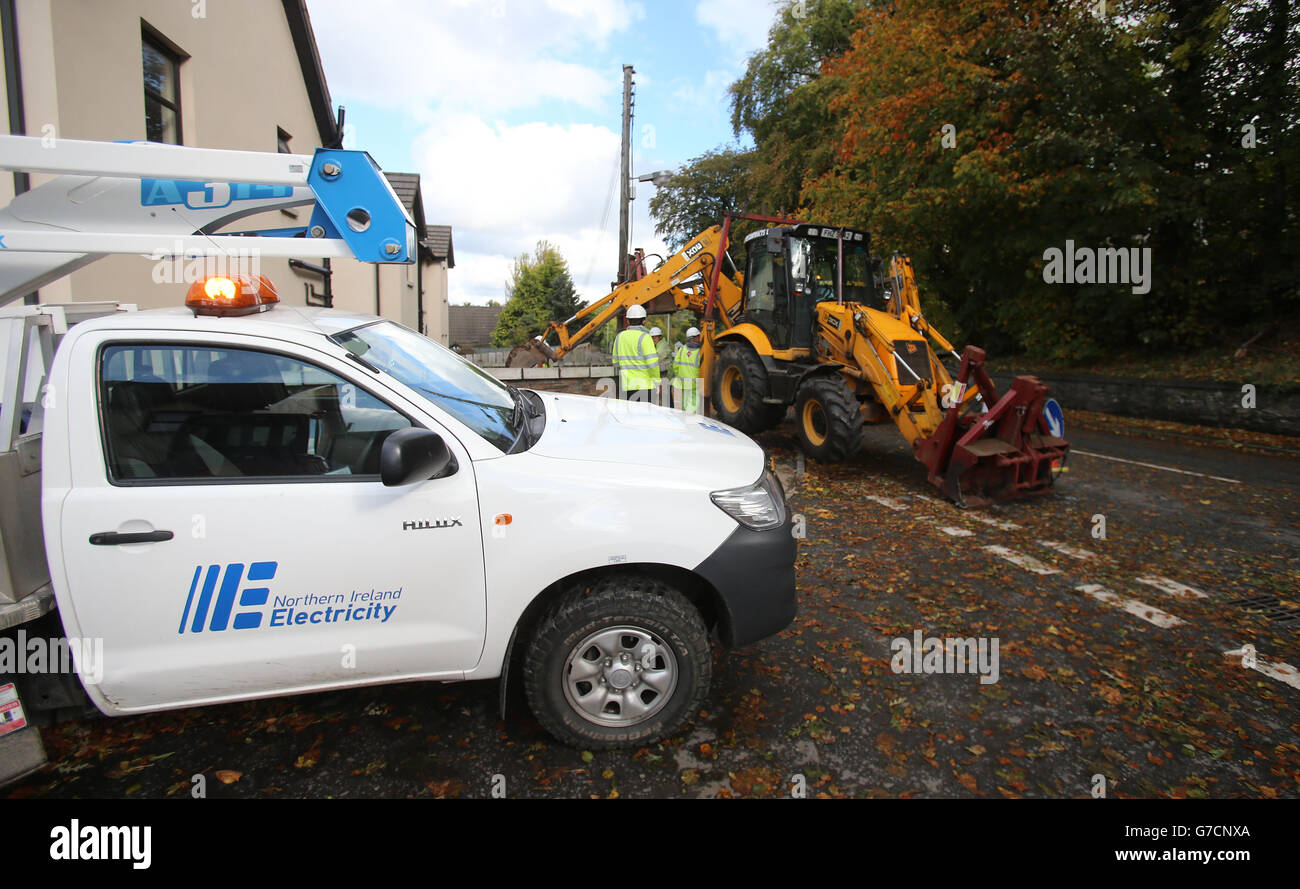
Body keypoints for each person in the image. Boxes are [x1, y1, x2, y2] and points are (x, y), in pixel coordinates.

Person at [611, 305, 659, 401]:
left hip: (626, 387)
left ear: (628, 321)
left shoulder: (619, 337)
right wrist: (657, 381)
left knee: (628, 415)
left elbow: (615, 363)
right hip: (645, 387)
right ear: (644, 321)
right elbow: (653, 364)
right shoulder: (646, 337)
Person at [671, 327, 703, 413]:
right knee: (692, 406)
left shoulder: (682, 349)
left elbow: (675, 366)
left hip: (682, 382)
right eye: (699, 336)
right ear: (695, 338)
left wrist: (680, 375)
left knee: (684, 405)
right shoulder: (700, 351)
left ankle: (684, 421)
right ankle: (689, 423)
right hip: (694, 384)